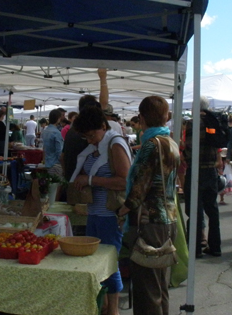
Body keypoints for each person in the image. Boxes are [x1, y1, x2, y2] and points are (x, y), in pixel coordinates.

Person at [117, 95, 180, 315]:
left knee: (147, 290)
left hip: (150, 221)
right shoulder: (170, 142)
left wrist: (122, 210)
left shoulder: (151, 145)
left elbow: (139, 188)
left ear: (142, 117)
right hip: (169, 218)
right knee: (160, 285)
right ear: (165, 116)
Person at [71, 104, 131, 315]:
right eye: (85, 137)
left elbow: (125, 181)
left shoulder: (115, 145)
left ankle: (113, 310)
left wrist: (90, 180)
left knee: (109, 263)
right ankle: (104, 305)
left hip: (110, 215)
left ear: (103, 127)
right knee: (97, 262)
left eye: (91, 135)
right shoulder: (97, 146)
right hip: (94, 213)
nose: (89, 141)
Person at [182, 96, 223, 258]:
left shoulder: (192, 123)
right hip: (211, 170)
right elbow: (215, 144)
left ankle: (196, 247)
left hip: (195, 169)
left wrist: (185, 155)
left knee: (195, 210)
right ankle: (215, 246)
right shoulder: (212, 122)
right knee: (212, 209)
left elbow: (190, 146)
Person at [41, 108, 65, 178]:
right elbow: (59, 152)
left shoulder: (45, 131)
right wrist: (64, 167)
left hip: (47, 163)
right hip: (56, 165)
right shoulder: (56, 133)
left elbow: (44, 148)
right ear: (58, 119)